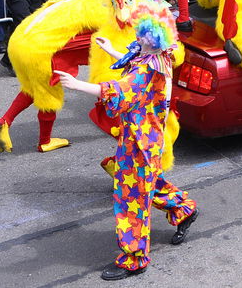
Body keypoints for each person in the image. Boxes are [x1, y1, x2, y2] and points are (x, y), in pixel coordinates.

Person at [55, 26, 198, 282]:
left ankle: (134, 259)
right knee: (147, 184)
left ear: (150, 42)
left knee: (131, 197)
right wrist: (110, 49)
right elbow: (133, 60)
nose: (136, 39)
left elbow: (120, 90)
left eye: (141, 38)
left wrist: (77, 84)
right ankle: (184, 209)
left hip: (140, 143)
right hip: (143, 139)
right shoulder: (156, 56)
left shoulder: (147, 70)